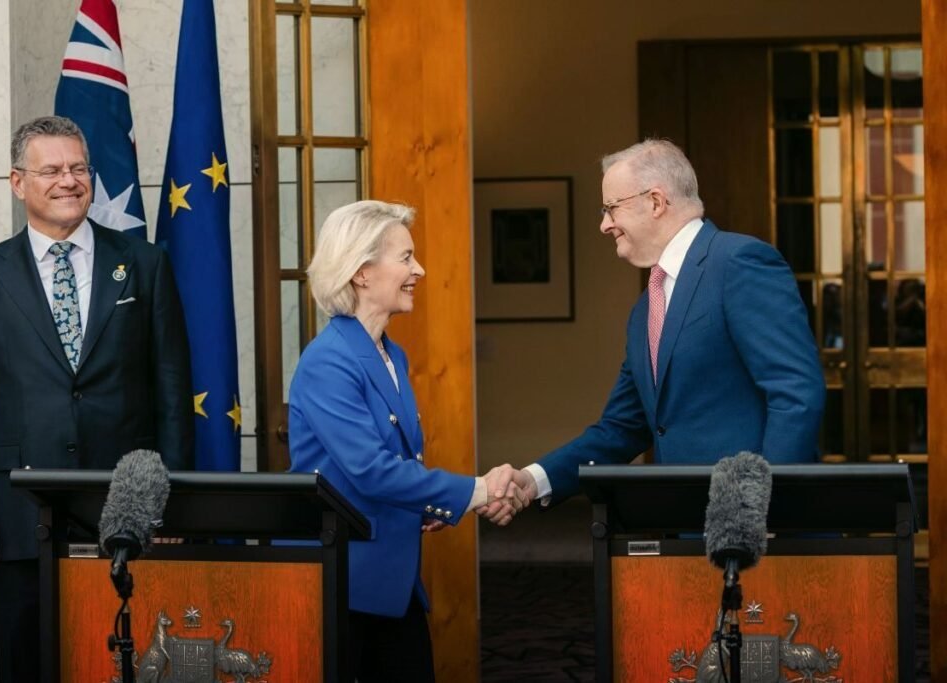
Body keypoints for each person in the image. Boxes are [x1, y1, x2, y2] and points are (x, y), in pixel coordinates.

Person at [0, 115, 194, 682]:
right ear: (17, 182)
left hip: (127, 515)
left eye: (78, 168)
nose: (68, 180)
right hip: (18, 520)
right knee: (29, 665)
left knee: (126, 666)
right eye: (51, 169)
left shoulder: (145, 265)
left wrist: (170, 500)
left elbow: (173, 394)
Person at [508, 139, 825, 506]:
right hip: (685, 531)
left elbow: (796, 393)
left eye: (611, 209)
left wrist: (764, 508)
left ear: (656, 202)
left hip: (759, 536)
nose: (605, 225)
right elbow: (623, 427)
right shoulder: (646, 308)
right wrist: (533, 480)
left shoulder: (738, 262)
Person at [288, 200, 525, 682]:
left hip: (391, 583)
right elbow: (371, 471)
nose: (419, 269)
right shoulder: (328, 361)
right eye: (405, 257)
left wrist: (425, 507)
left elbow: (398, 462)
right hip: (348, 586)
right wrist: (477, 492)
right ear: (361, 272)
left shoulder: (390, 353)